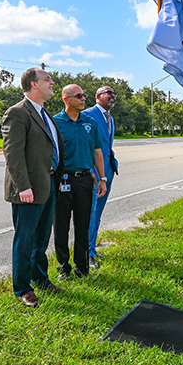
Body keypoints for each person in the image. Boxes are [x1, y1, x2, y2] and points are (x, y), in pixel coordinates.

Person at [2, 68, 65, 308]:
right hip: (27, 188)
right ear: (33, 84)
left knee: (41, 237)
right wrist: (23, 187)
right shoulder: (17, 113)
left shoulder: (45, 113)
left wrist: (57, 178)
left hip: (47, 182)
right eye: (47, 79)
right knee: (25, 238)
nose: (52, 82)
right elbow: (13, 154)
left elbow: (52, 148)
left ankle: (40, 277)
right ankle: (22, 288)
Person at [52, 84, 107, 280]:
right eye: (79, 96)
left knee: (83, 225)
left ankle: (82, 267)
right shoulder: (55, 122)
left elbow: (97, 152)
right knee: (61, 227)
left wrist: (102, 178)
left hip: (85, 179)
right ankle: (63, 268)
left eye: (84, 95)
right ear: (66, 100)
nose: (84, 98)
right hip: (62, 181)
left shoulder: (90, 122)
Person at [82, 86, 119, 269]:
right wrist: (92, 172)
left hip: (108, 172)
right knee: (90, 213)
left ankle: (92, 248)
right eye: (109, 93)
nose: (113, 96)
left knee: (97, 214)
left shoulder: (110, 118)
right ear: (98, 96)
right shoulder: (88, 115)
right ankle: (87, 254)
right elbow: (86, 145)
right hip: (94, 174)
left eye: (114, 94)